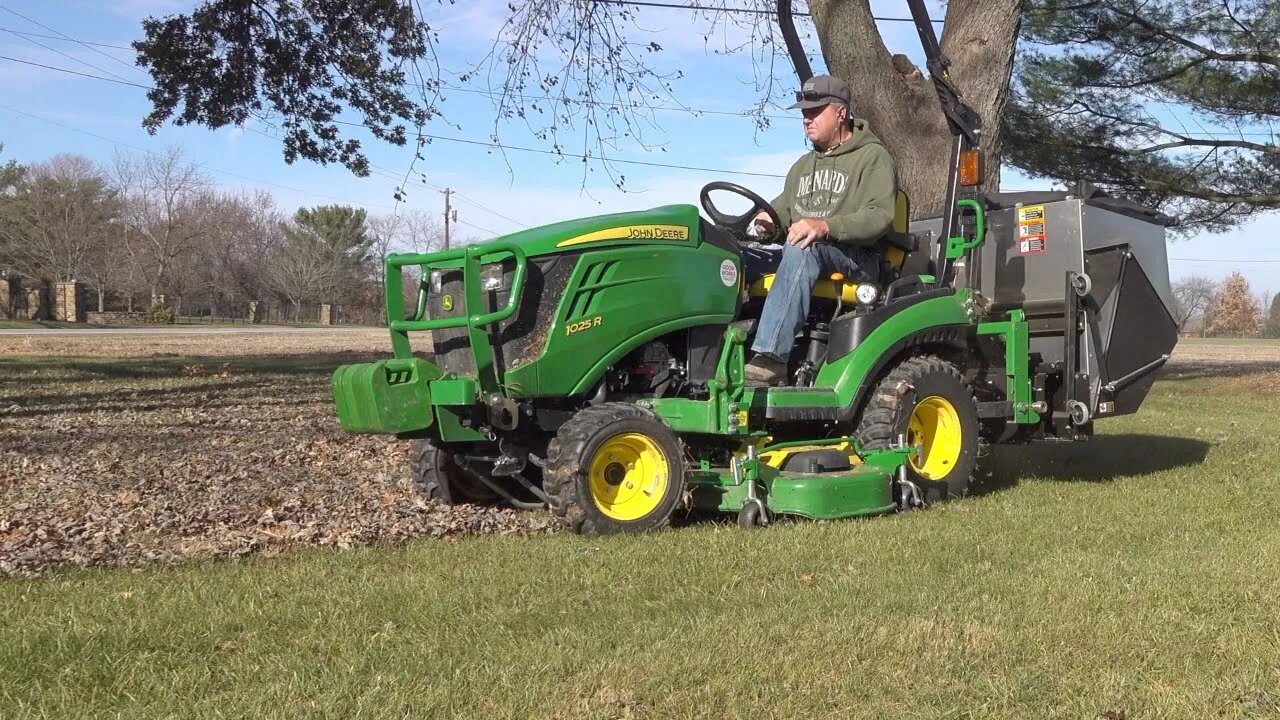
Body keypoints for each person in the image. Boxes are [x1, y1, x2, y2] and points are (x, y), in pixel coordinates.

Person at [743, 74, 897, 386]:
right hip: (810, 255)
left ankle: (770, 358)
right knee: (737, 257)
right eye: (804, 113)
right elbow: (782, 212)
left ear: (841, 112)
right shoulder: (802, 166)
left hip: (858, 258)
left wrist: (825, 225)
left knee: (804, 246)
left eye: (815, 111)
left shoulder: (872, 158)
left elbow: (878, 217)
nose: (807, 119)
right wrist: (765, 224)